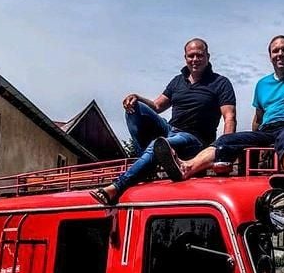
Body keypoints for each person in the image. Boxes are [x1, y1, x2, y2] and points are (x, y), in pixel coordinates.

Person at [153, 35, 284, 197]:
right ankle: (186, 167)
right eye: (275, 51)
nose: (280, 54)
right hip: (269, 130)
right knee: (227, 140)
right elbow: (258, 119)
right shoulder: (263, 84)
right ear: (269, 56)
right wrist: (253, 138)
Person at [90, 38, 236, 205]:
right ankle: (146, 161)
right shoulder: (177, 81)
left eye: (199, 55)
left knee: (160, 144)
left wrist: (224, 153)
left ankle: (117, 186)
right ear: (185, 58)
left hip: (195, 139)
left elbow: (229, 117)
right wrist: (137, 98)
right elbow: (157, 106)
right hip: (171, 129)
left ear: (208, 57)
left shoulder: (220, 83)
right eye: (191, 56)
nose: (195, 59)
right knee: (135, 108)